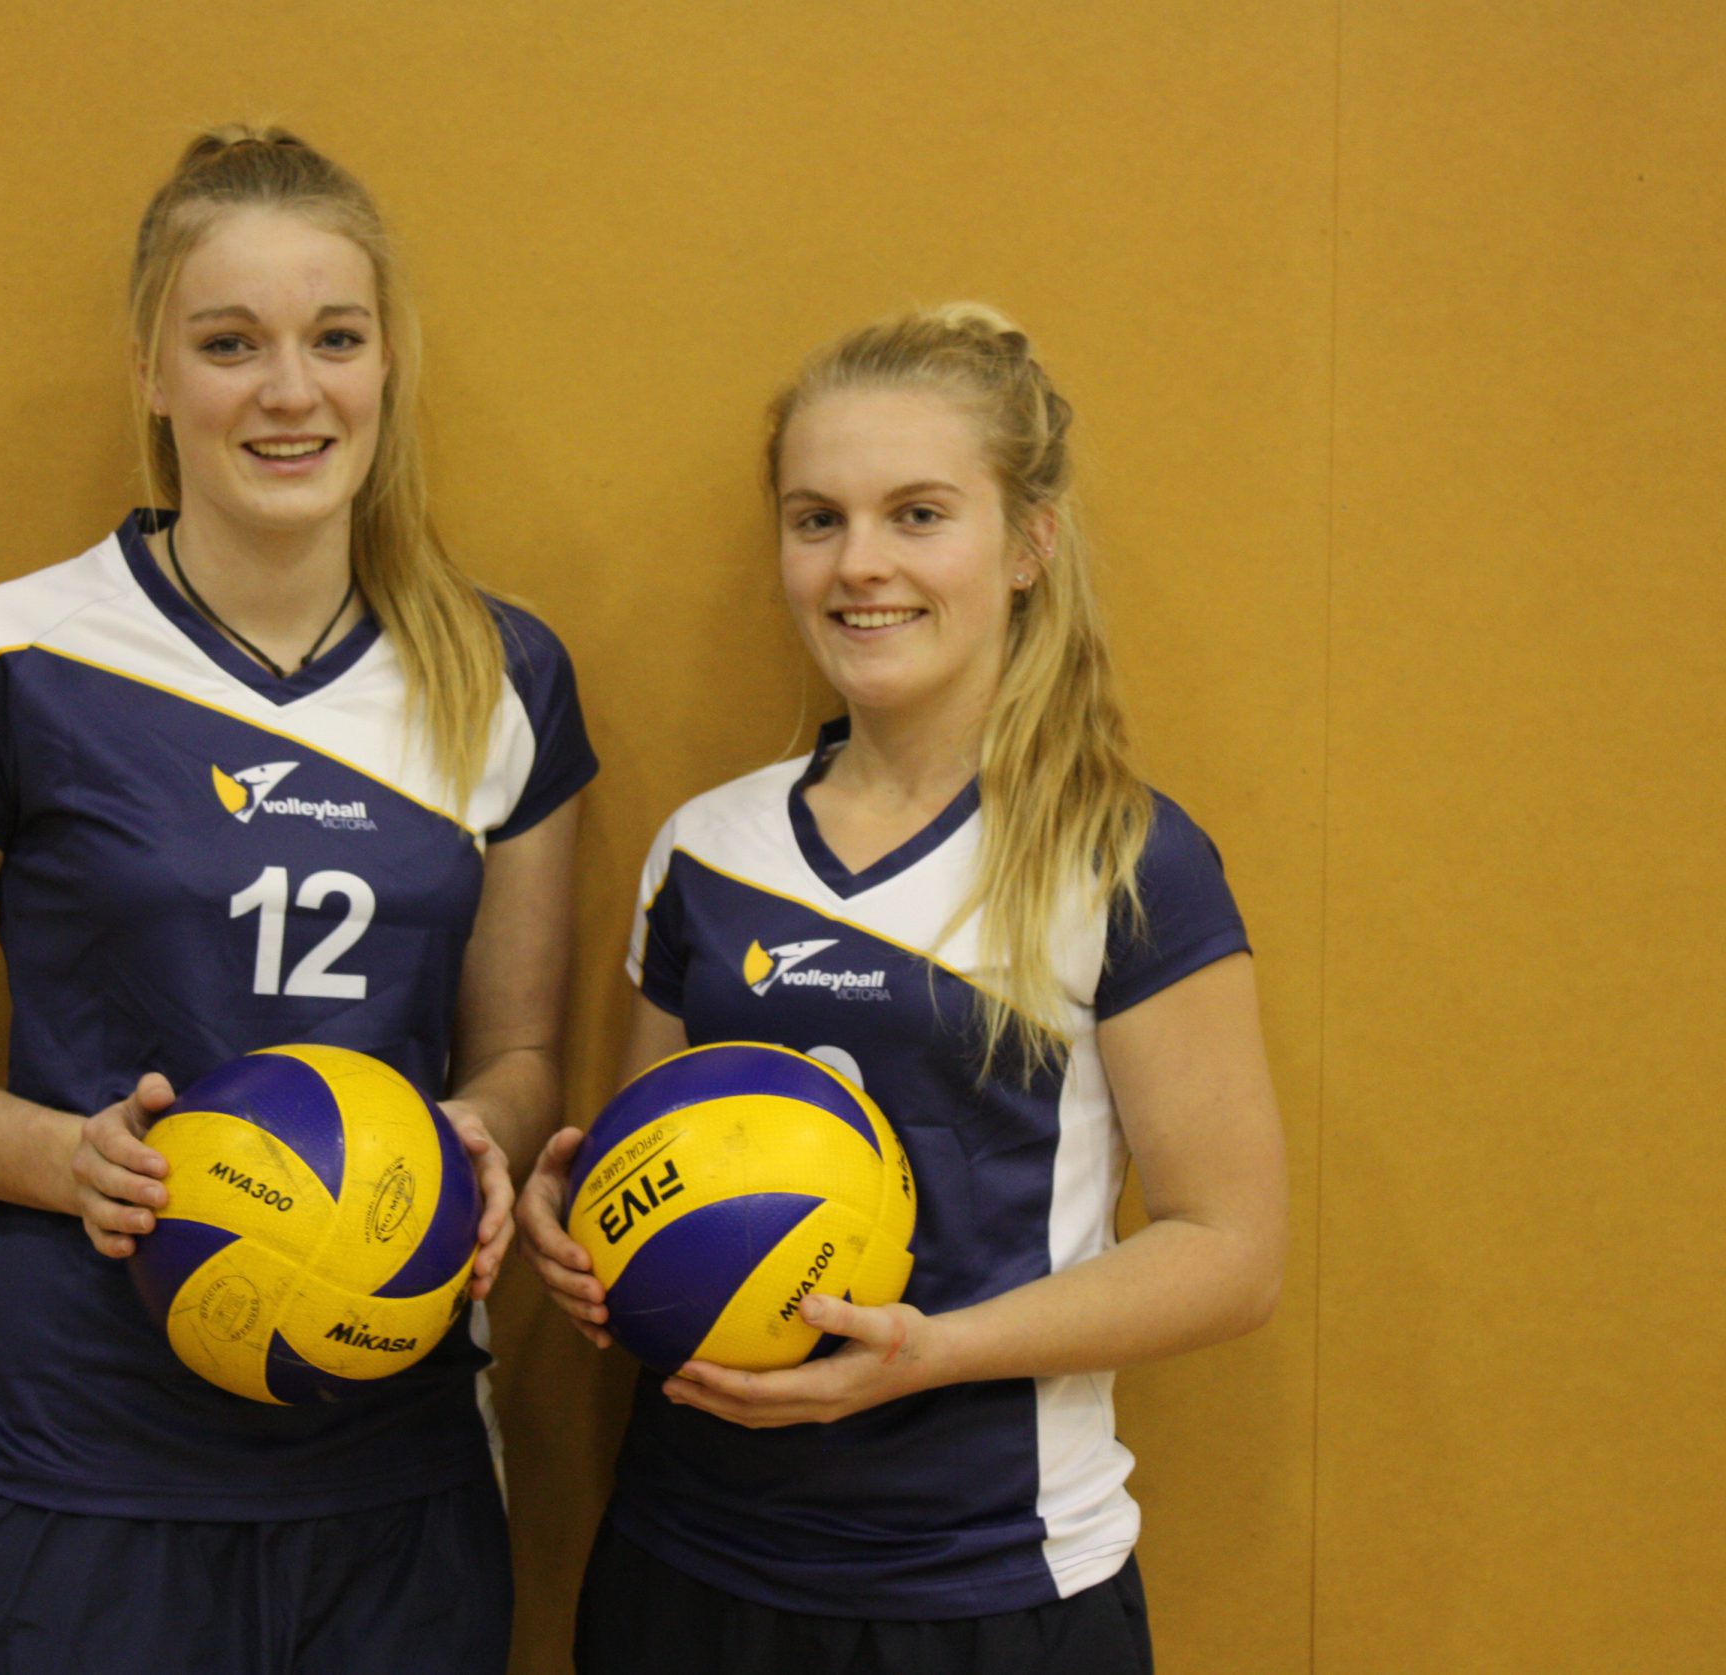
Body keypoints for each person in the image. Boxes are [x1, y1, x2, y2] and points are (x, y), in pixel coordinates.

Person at [0, 127, 592, 1674]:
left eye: (335, 339)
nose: (290, 391)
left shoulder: (503, 673)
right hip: (87, 1461)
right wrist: (70, 1160)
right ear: (153, 374)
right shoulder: (14, 656)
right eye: (231, 345)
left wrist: (473, 1147)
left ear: (388, 364)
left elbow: (519, 1060)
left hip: (390, 1461)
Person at [517, 304, 1285, 1674]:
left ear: (1029, 543)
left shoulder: (1120, 857)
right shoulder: (707, 848)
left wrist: (930, 1351)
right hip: (690, 1568)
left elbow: (1231, 1251)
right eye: (817, 521)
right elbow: (657, 1163)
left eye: (917, 515)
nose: (859, 564)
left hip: (987, 1587)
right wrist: (580, 1229)